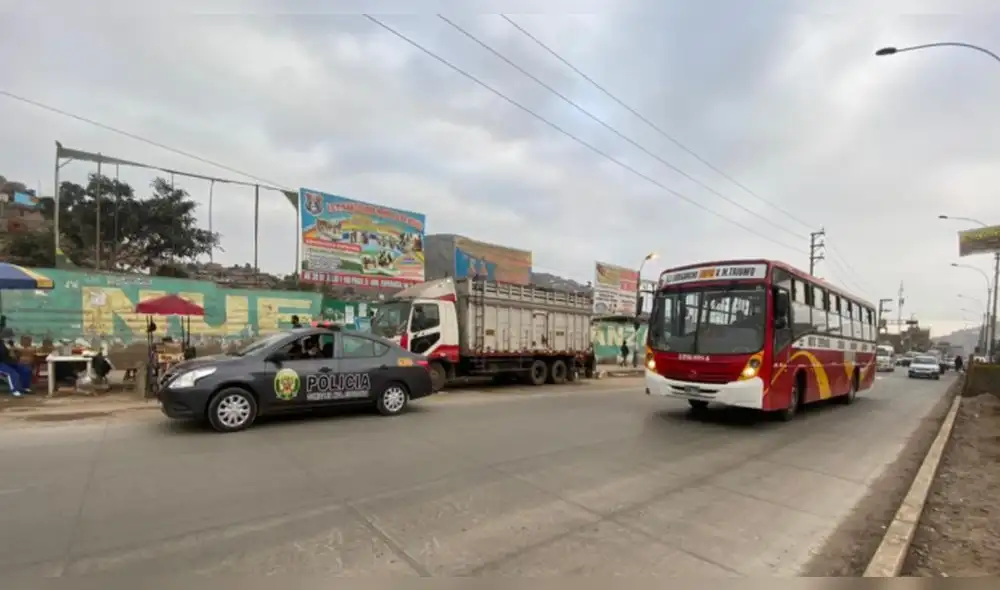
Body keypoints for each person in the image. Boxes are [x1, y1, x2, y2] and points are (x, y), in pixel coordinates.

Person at [0, 328, 31, 397]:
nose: (11, 338)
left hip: (11, 362)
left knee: (26, 369)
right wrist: (8, 351)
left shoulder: (11, 343)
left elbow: (15, 354)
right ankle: (15, 390)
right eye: (9, 337)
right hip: (1, 363)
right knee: (12, 373)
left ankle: (24, 388)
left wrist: (15, 351)